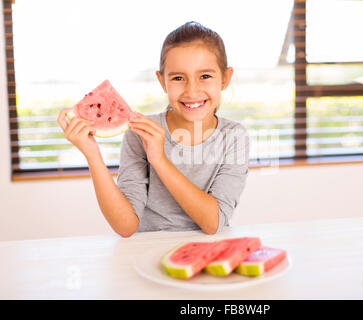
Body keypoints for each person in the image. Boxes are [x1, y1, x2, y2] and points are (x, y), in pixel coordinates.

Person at [57, 21, 250, 237]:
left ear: (225, 78)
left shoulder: (234, 136)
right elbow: (125, 226)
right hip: (146, 252)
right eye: (178, 78)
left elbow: (213, 223)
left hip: (209, 253)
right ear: (162, 81)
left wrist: (159, 159)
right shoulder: (139, 134)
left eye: (205, 76)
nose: (192, 90)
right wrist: (92, 155)